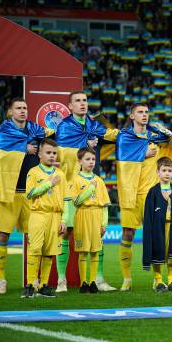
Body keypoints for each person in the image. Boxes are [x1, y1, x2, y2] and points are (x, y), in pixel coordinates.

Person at [55, 90, 118, 293]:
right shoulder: (64, 127)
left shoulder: (94, 126)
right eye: (78, 101)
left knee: (97, 237)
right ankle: (61, 280)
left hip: (93, 187)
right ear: (70, 106)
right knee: (66, 234)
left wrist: (138, 132)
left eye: (85, 101)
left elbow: (114, 135)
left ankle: (98, 279)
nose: (82, 104)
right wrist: (85, 144)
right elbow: (64, 158)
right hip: (71, 188)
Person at [0, 97, 54, 294]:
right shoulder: (3, 131)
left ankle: (33, 279)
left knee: (33, 238)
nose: (22, 111)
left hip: (31, 194)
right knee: (3, 235)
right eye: (18, 108)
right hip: (9, 193)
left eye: (25, 108)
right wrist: (23, 148)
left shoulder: (35, 130)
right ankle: (1, 279)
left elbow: (53, 134)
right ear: (10, 112)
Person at [116, 102, 172, 291]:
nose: (144, 115)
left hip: (150, 194)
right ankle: (127, 279)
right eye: (140, 112)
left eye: (146, 112)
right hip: (129, 192)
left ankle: (158, 279)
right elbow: (123, 156)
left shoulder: (154, 138)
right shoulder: (125, 136)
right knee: (128, 233)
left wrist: (167, 133)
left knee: (157, 235)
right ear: (132, 116)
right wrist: (143, 153)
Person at [22, 139, 68, 298]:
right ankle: (29, 284)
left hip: (55, 216)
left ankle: (43, 285)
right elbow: (30, 194)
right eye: (48, 152)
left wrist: (64, 220)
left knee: (50, 252)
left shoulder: (60, 174)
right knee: (35, 249)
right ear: (40, 154)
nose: (51, 155)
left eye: (54, 153)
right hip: (38, 214)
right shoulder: (33, 172)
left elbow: (66, 200)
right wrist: (49, 183)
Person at [142, 157, 172, 292]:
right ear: (158, 172)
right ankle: (158, 282)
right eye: (164, 170)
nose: (167, 173)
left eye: (170, 170)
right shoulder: (153, 192)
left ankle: (171, 282)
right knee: (158, 254)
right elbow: (148, 215)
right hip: (158, 229)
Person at [67, 147, 110, 293]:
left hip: (97, 216)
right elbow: (77, 201)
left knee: (95, 251)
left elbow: (104, 205)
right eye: (87, 159)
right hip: (82, 215)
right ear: (80, 161)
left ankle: (92, 282)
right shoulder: (76, 180)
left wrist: (104, 223)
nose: (91, 162)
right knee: (83, 251)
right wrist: (90, 189)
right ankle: (83, 282)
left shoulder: (100, 180)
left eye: (93, 159)